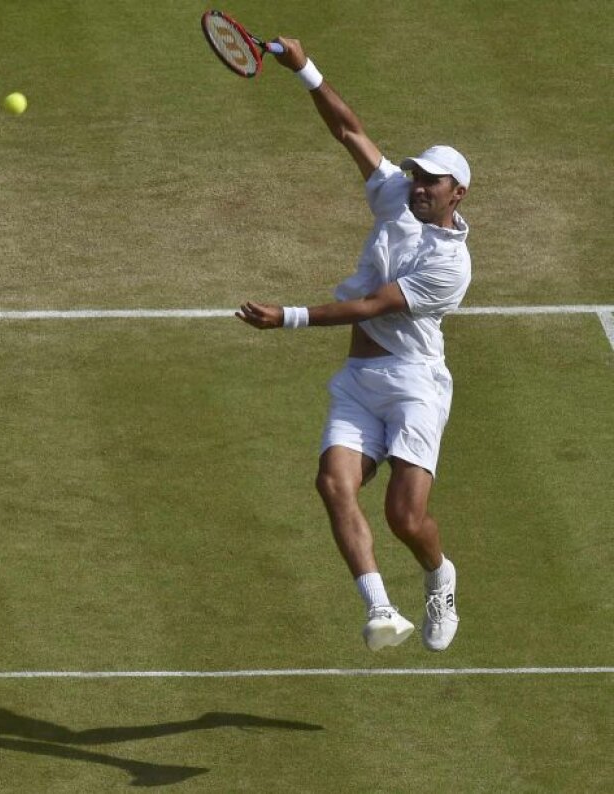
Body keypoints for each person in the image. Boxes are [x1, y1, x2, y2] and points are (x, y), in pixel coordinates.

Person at [236, 39, 471, 652]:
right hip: (359, 383)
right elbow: (349, 130)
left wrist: (286, 317)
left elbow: (370, 307)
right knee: (332, 484)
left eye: (432, 181)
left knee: (405, 518)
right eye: (417, 174)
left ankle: (438, 574)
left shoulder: (450, 266)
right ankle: (380, 610)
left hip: (415, 383)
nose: (418, 185)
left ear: (457, 195)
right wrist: (303, 69)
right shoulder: (396, 193)